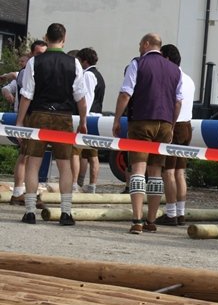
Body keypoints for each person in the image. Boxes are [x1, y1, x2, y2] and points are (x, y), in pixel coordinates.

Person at [16, 23, 87, 225]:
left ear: (46, 37)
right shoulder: (74, 63)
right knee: (64, 165)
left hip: (39, 115)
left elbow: (26, 95)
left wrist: (20, 121)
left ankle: (30, 211)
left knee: (33, 162)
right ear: (64, 39)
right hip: (63, 117)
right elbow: (80, 98)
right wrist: (83, 121)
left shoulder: (34, 62)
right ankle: (65, 213)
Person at [112, 33, 182, 235]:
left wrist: (117, 118)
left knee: (138, 171)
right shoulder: (174, 69)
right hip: (165, 124)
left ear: (146, 44)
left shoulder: (137, 64)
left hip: (141, 121)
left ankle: (137, 219)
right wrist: (172, 125)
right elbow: (178, 102)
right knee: (156, 173)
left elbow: (126, 93)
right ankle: (151, 219)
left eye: (140, 44)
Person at [4, 41, 48, 208]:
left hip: (37, 116)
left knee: (31, 157)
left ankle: (26, 192)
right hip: (29, 116)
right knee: (26, 156)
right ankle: (20, 193)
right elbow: (27, 93)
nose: (42, 57)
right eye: (38, 54)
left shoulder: (36, 68)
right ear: (31, 54)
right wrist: (20, 121)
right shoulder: (27, 70)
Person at [157, 44, 196, 226]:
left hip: (175, 124)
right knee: (180, 172)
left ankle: (171, 213)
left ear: (166, 59)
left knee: (169, 172)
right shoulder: (189, 78)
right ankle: (180, 212)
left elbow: (175, 104)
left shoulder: (172, 77)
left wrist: (169, 127)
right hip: (187, 125)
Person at [71, 47, 105, 194]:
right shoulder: (98, 75)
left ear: (84, 61)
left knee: (76, 152)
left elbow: (87, 97)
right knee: (91, 154)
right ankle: (91, 185)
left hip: (89, 117)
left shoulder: (88, 75)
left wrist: (82, 118)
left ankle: (74, 183)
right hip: (96, 117)